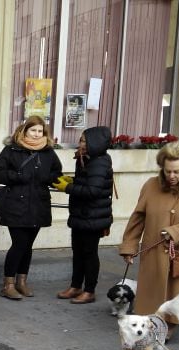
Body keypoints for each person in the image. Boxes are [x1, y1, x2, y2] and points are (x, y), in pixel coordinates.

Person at [119, 143, 179, 340]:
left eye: (176, 171)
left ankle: (168, 328)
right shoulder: (151, 185)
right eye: (167, 171)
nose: (171, 176)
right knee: (151, 293)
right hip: (153, 253)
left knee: (177, 293)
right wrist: (129, 246)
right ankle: (151, 324)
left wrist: (177, 231)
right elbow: (138, 218)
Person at [0, 115, 62, 300]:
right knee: (19, 243)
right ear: (25, 130)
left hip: (38, 204)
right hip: (16, 204)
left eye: (40, 131)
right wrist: (16, 176)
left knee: (28, 245)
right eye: (33, 130)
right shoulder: (12, 149)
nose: (37, 134)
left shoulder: (48, 152)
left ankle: (22, 281)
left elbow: (56, 172)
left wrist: (48, 178)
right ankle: (9, 284)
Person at [53, 126, 114, 304]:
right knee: (78, 252)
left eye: (83, 141)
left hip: (93, 217)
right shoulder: (85, 158)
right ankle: (75, 286)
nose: (80, 143)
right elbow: (88, 182)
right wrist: (73, 180)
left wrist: (68, 188)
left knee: (89, 253)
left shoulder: (100, 161)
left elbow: (93, 191)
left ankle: (89, 290)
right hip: (82, 215)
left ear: (94, 143)